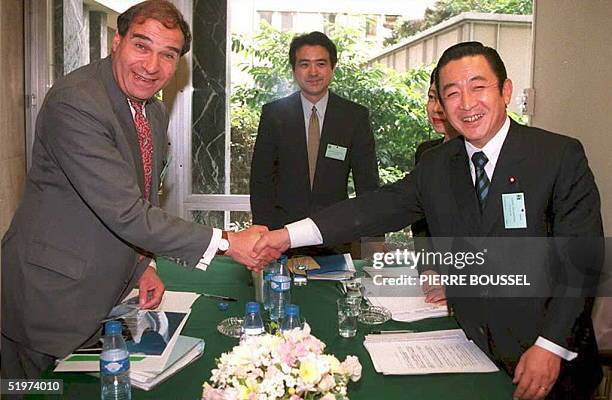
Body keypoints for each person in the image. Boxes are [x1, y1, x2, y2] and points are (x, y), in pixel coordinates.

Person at [254, 42, 603, 399]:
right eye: (452, 93)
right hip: (474, 355)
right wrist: (286, 236)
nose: (466, 103)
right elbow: (373, 207)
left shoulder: (557, 156)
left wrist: (551, 345)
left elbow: (582, 260)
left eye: (477, 87)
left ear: (506, 91)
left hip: (550, 365)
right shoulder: (438, 165)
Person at [1, 0, 277, 379]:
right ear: (117, 41)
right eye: (141, 46)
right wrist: (229, 241)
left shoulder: (153, 109)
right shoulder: (77, 102)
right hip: (48, 300)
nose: (151, 66)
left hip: (104, 297)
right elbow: (126, 211)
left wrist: (143, 263)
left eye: (168, 54)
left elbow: (143, 193)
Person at [249, 31, 379, 254]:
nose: (313, 72)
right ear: (294, 69)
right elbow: (261, 180)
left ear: (332, 68)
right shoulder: (273, 114)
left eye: (321, 63)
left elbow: (367, 183)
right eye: (304, 64)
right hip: (281, 236)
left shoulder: (354, 116)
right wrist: (263, 232)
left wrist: (374, 239)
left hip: (335, 235)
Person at [412, 68, 460, 305]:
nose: (437, 108)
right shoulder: (426, 154)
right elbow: (421, 222)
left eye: (446, 98)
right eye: (432, 97)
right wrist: (428, 269)